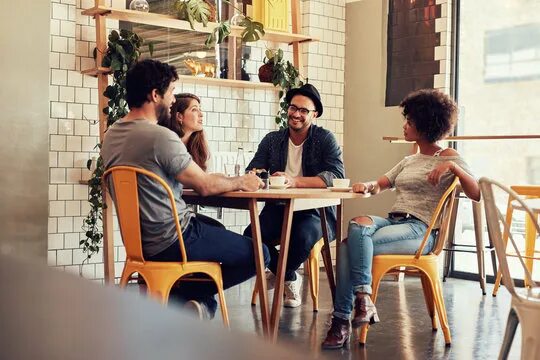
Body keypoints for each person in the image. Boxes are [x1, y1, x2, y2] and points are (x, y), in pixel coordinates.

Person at [101, 59, 269, 320]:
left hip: (140, 243)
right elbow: (204, 185)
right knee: (260, 253)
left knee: (217, 229)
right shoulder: (159, 137)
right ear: (154, 95)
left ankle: (190, 302)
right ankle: (184, 299)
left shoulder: (111, 134)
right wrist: (240, 181)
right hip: (173, 237)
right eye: (169, 93)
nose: (171, 100)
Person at [321, 88, 480, 349]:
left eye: (409, 120)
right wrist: (367, 185)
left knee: (350, 246)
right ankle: (363, 299)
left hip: (421, 231)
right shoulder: (409, 160)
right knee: (357, 225)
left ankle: (341, 322)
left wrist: (453, 168)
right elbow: (382, 184)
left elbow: (476, 193)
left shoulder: (449, 157)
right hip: (394, 222)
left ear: (426, 123)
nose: (404, 125)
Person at [244, 83, 345, 308]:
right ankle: (288, 275)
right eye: (293, 108)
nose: (296, 114)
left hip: (315, 212)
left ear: (314, 114)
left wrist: (294, 181)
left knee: (301, 236)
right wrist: (257, 176)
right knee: (251, 235)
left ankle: (278, 272)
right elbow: (253, 170)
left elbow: (335, 175)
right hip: (279, 208)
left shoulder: (324, 139)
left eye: (303, 110)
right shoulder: (272, 140)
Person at [158, 93, 223, 229]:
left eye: (200, 109)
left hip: (178, 214)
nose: (201, 114)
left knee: (216, 227)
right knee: (217, 228)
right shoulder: (169, 146)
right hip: (169, 218)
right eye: (194, 109)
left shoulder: (197, 146)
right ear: (179, 116)